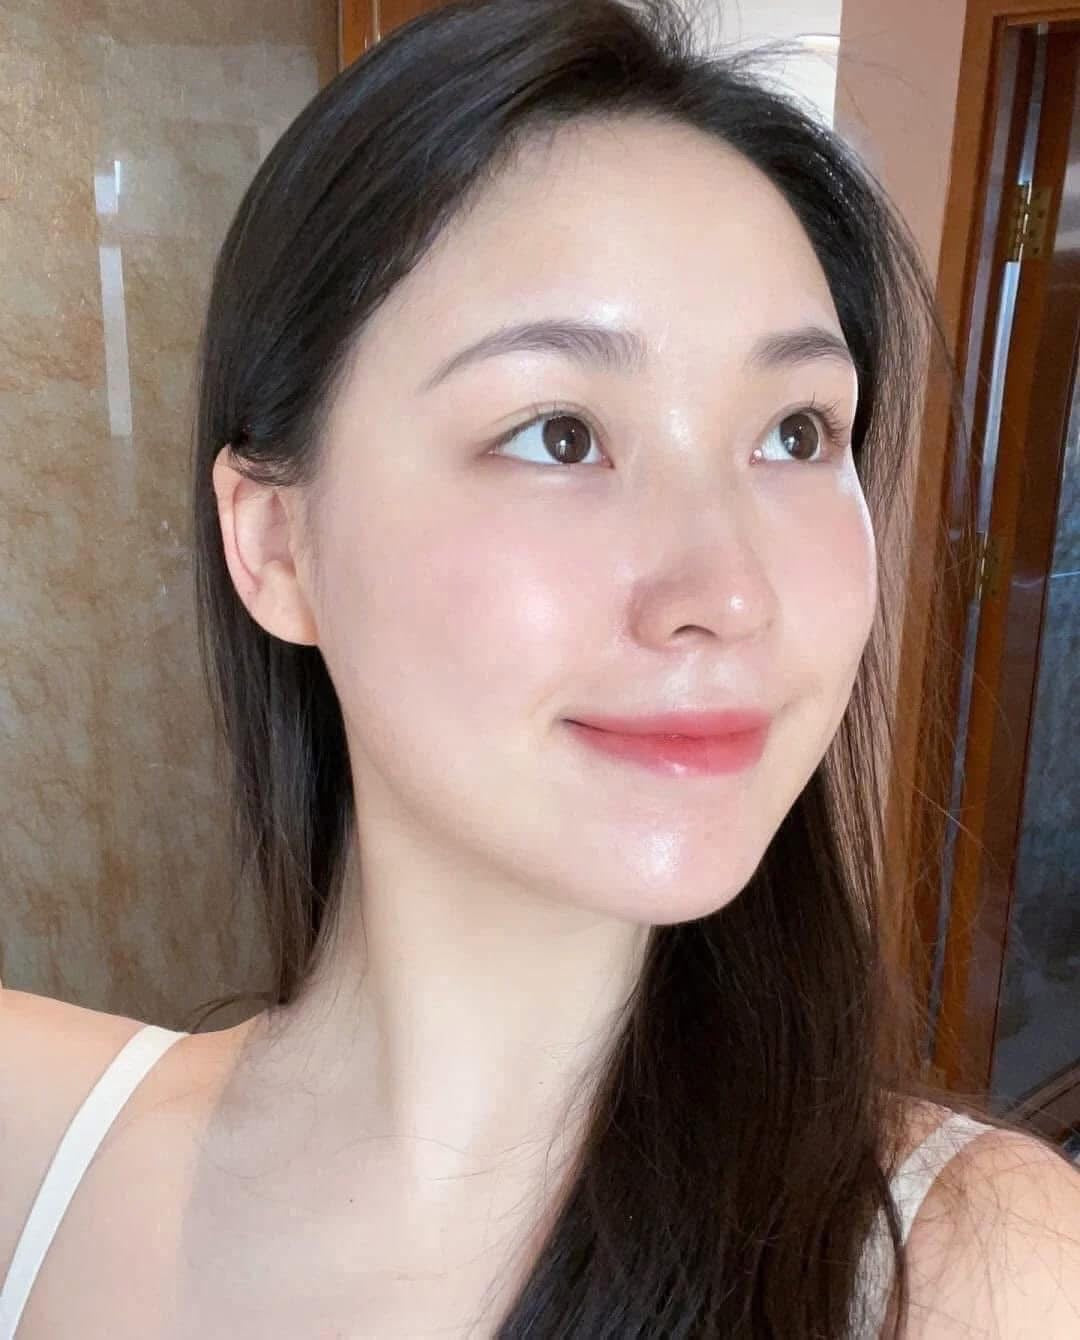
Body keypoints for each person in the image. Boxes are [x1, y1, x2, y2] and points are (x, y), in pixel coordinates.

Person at [2, 0, 1079, 1334]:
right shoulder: (31, 1154)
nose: (727, 594)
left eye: (797, 434)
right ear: (276, 543)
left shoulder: (971, 1273)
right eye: (560, 434)